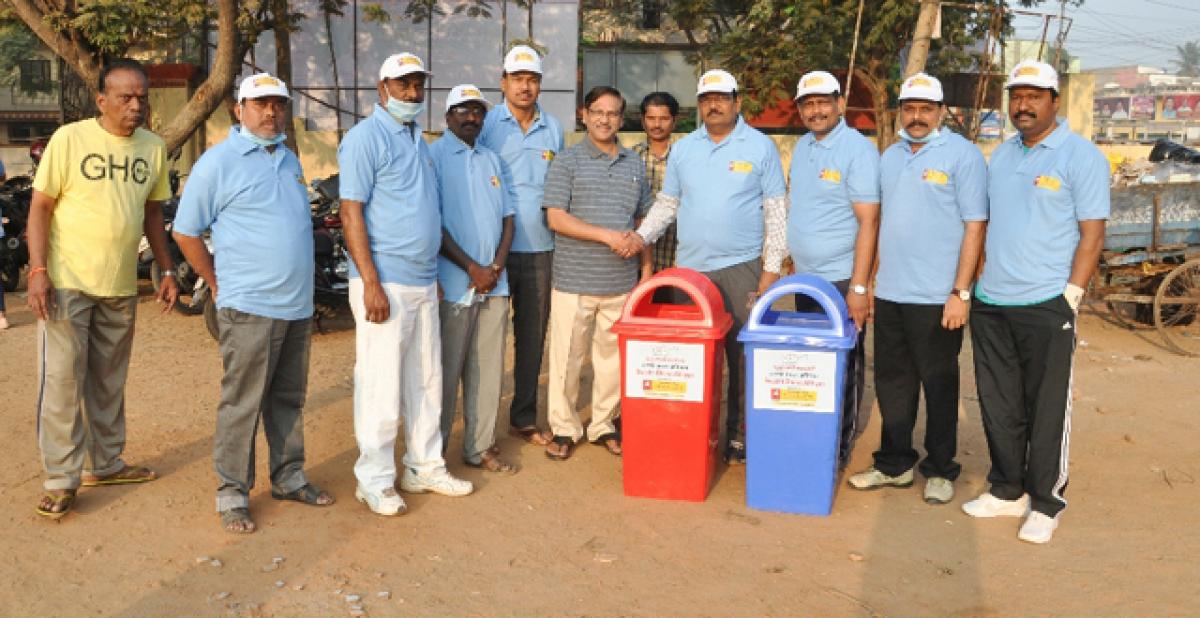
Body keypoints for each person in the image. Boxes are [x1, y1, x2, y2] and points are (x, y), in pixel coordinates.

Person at [173, 73, 334, 534]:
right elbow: (185, 231)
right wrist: (215, 280)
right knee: (242, 402)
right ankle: (232, 492)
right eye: (261, 104)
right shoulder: (217, 163)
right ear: (239, 109)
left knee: (287, 398)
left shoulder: (287, 159)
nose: (271, 112)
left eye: (278, 105)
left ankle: (288, 476)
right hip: (248, 306)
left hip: (296, 306)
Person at [963, 59, 1109, 544]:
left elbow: (1092, 233)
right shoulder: (1001, 156)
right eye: (1016, 96)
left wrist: (1071, 295)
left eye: (1033, 96)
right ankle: (1008, 491)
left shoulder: (1080, 156)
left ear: (1054, 101)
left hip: (1047, 302)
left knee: (1046, 406)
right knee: (1000, 404)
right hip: (992, 302)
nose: (1022, 105)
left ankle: (1046, 502)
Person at [26, 58, 178, 520]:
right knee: (62, 383)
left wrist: (167, 271)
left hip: (119, 285)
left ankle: (107, 463)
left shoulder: (152, 148)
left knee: (109, 381)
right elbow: (40, 207)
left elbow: (153, 216)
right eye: (125, 97)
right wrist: (37, 271)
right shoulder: (70, 139)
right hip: (67, 281)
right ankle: (60, 479)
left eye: (142, 98)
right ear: (102, 100)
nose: (136, 106)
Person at [339, 52, 473, 517]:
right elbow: (350, 211)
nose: (413, 93)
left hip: (421, 281)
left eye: (418, 85)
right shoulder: (364, 138)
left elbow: (423, 212)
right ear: (383, 89)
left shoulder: (418, 139)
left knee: (426, 381)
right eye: (403, 85)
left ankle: (423, 465)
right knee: (380, 385)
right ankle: (374, 479)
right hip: (385, 283)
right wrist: (370, 282)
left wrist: (431, 276)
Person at [630, 69, 788, 464]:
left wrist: (770, 272)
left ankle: (736, 436)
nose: (713, 105)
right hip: (691, 271)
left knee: (740, 356)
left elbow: (776, 211)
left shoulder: (760, 146)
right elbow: (669, 203)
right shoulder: (685, 149)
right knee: (693, 359)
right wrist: (640, 237)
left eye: (720, 97)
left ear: (737, 102)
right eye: (705, 99)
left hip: (741, 268)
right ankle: (695, 430)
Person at [845, 73, 987, 505]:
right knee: (893, 385)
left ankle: (941, 469)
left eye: (926, 108)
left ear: (941, 112)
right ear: (900, 111)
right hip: (890, 294)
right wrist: (866, 286)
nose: (917, 116)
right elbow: (878, 223)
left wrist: (961, 293)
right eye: (910, 108)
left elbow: (975, 226)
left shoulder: (963, 156)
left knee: (939, 385)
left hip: (937, 299)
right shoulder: (889, 157)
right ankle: (894, 464)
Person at [542, 86, 652, 460]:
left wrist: (646, 270)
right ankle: (564, 427)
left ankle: (604, 424)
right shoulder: (567, 162)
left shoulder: (634, 163)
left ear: (622, 119)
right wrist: (605, 235)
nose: (605, 119)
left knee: (613, 362)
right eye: (598, 112)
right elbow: (555, 217)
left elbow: (643, 220)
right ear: (584, 114)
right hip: (574, 281)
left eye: (613, 113)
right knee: (567, 360)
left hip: (620, 281)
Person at [785, 70, 880, 466]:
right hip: (807, 278)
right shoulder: (804, 147)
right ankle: (813, 436)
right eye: (808, 104)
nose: (816, 110)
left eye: (824, 102)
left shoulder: (857, 150)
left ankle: (837, 447)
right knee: (812, 363)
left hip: (842, 279)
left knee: (844, 364)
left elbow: (870, 221)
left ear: (840, 104)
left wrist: (860, 287)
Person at [479, 45, 564, 447]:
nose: (525, 86)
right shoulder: (486, 124)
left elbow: (561, 187)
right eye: (518, 78)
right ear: (504, 82)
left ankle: (524, 416)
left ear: (540, 85)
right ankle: (480, 426)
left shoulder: (554, 128)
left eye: (532, 79)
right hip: (492, 249)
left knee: (532, 337)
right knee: (487, 339)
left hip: (540, 249)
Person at [431, 84, 518, 474]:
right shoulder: (432, 158)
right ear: (448, 116)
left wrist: (495, 267)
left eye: (477, 112)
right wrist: (471, 268)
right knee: (446, 374)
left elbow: (508, 217)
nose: (471, 118)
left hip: (494, 284)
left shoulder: (492, 160)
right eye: (462, 111)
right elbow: (433, 223)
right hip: (455, 285)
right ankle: (434, 455)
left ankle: (479, 447)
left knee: (487, 369)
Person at [633, 92, 679, 275]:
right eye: (651, 118)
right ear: (643, 120)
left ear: (674, 121)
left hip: (677, 261)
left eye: (664, 119)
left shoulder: (686, 158)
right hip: (637, 263)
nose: (657, 125)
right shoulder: (630, 158)